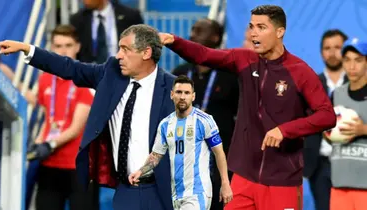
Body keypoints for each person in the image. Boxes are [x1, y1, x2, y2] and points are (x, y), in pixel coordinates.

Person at [159, 4, 336, 210]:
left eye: (261, 27)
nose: (254, 33)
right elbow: (204, 55)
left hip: (282, 179)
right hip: (243, 177)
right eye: (252, 27)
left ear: (280, 32)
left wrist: (285, 130)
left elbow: (327, 116)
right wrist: (174, 41)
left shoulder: (301, 72)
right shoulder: (243, 59)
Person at [0, 24, 175, 210]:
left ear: (146, 53)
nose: (119, 55)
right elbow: (69, 67)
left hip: (160, 188)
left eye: (125, 50)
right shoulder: (111, 74)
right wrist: (27, 49)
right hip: (125, 189)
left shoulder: (173, 89)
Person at [128, 75, 233, 210]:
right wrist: (140, 171)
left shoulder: (204, 120)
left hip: (198, 192)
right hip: (176, 194)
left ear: (193, 96)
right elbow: (156, 156)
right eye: (179, 92)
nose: (182, 96)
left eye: (187, 93)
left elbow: (219, 153)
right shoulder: (165, 125)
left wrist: (225, 183)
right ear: (172, 95)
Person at [24, 24, 98, 210]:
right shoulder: (45, 79)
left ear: (78, 47)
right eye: (58, 46)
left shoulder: (86, 79)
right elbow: (48, 122)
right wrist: (39, 142)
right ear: (51, 48)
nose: (63, 50)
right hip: (50, 165)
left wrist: (49, 144)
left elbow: (76, 128)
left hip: (79, 166)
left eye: (68, 45)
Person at [172, 18, 239, 210]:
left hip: (219, 160)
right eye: (193, 29)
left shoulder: (229, 76)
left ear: (215, 38)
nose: (193, 34)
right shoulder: (180, 74)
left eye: (200, 30)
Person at [303, 29, 348, 210]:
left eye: (337, 47)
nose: (332, 52)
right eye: (327, 48)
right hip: (319, 165)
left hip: (351, 163)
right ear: (321, 52)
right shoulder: (310, 84)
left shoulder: (360, 84)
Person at [326, 38, 367, 210]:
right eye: (347, 60)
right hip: (340, 185)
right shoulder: (336, 95)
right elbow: (327, 131)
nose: (352, 66)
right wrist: (329, 133)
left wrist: (362, 129)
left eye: (358, 60)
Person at [70, 0, 143, 63]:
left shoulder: (131, 16)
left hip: (123, 71)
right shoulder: (77, 19)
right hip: (91, 74)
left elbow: (141, 44)